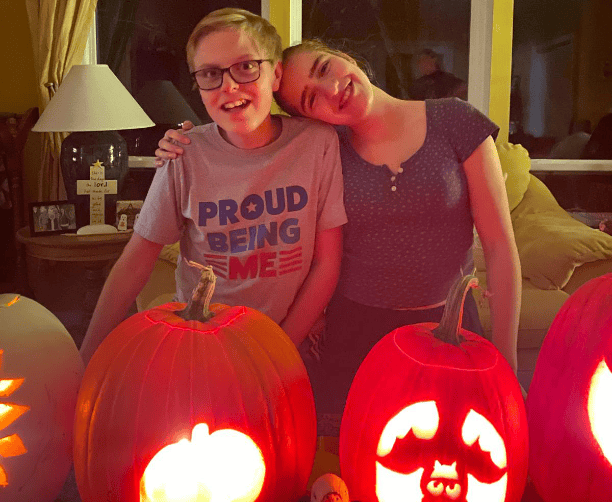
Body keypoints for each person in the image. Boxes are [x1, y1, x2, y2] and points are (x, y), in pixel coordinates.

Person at [157, 39, 522, 434]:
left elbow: (500, 246)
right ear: (312, 120)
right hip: (355, 336)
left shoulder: (456, 120)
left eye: (324, 68)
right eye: (312, 99)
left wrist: (508, 365)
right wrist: (188, 139)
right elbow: (249, 150)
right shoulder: (322, 148)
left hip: (451, 326)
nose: (332, 89)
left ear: (345, 56)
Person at [79, 10, 347, 366]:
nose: (229, 86)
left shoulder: (316, 144)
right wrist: (86, 358)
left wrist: (279, 348)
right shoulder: (183, 153)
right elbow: (136, 261)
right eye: (210, 74)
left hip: (287, 343)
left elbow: (327, 262)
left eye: (246, 67)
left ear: (276, 73)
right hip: (200, 347)